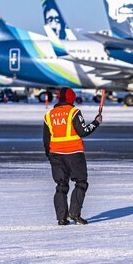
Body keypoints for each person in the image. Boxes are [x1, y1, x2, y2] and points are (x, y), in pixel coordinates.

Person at [43, 87, 102, 225]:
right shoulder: (73, 112)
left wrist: (49, 155)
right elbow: (83, 132)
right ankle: (74, 213)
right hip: (74, 154)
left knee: (61, 185)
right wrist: (96, 122)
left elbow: (46, 139)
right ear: (71, 98)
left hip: (55, 155)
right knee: (81, 182)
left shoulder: (49, 115)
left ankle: (61, 218)